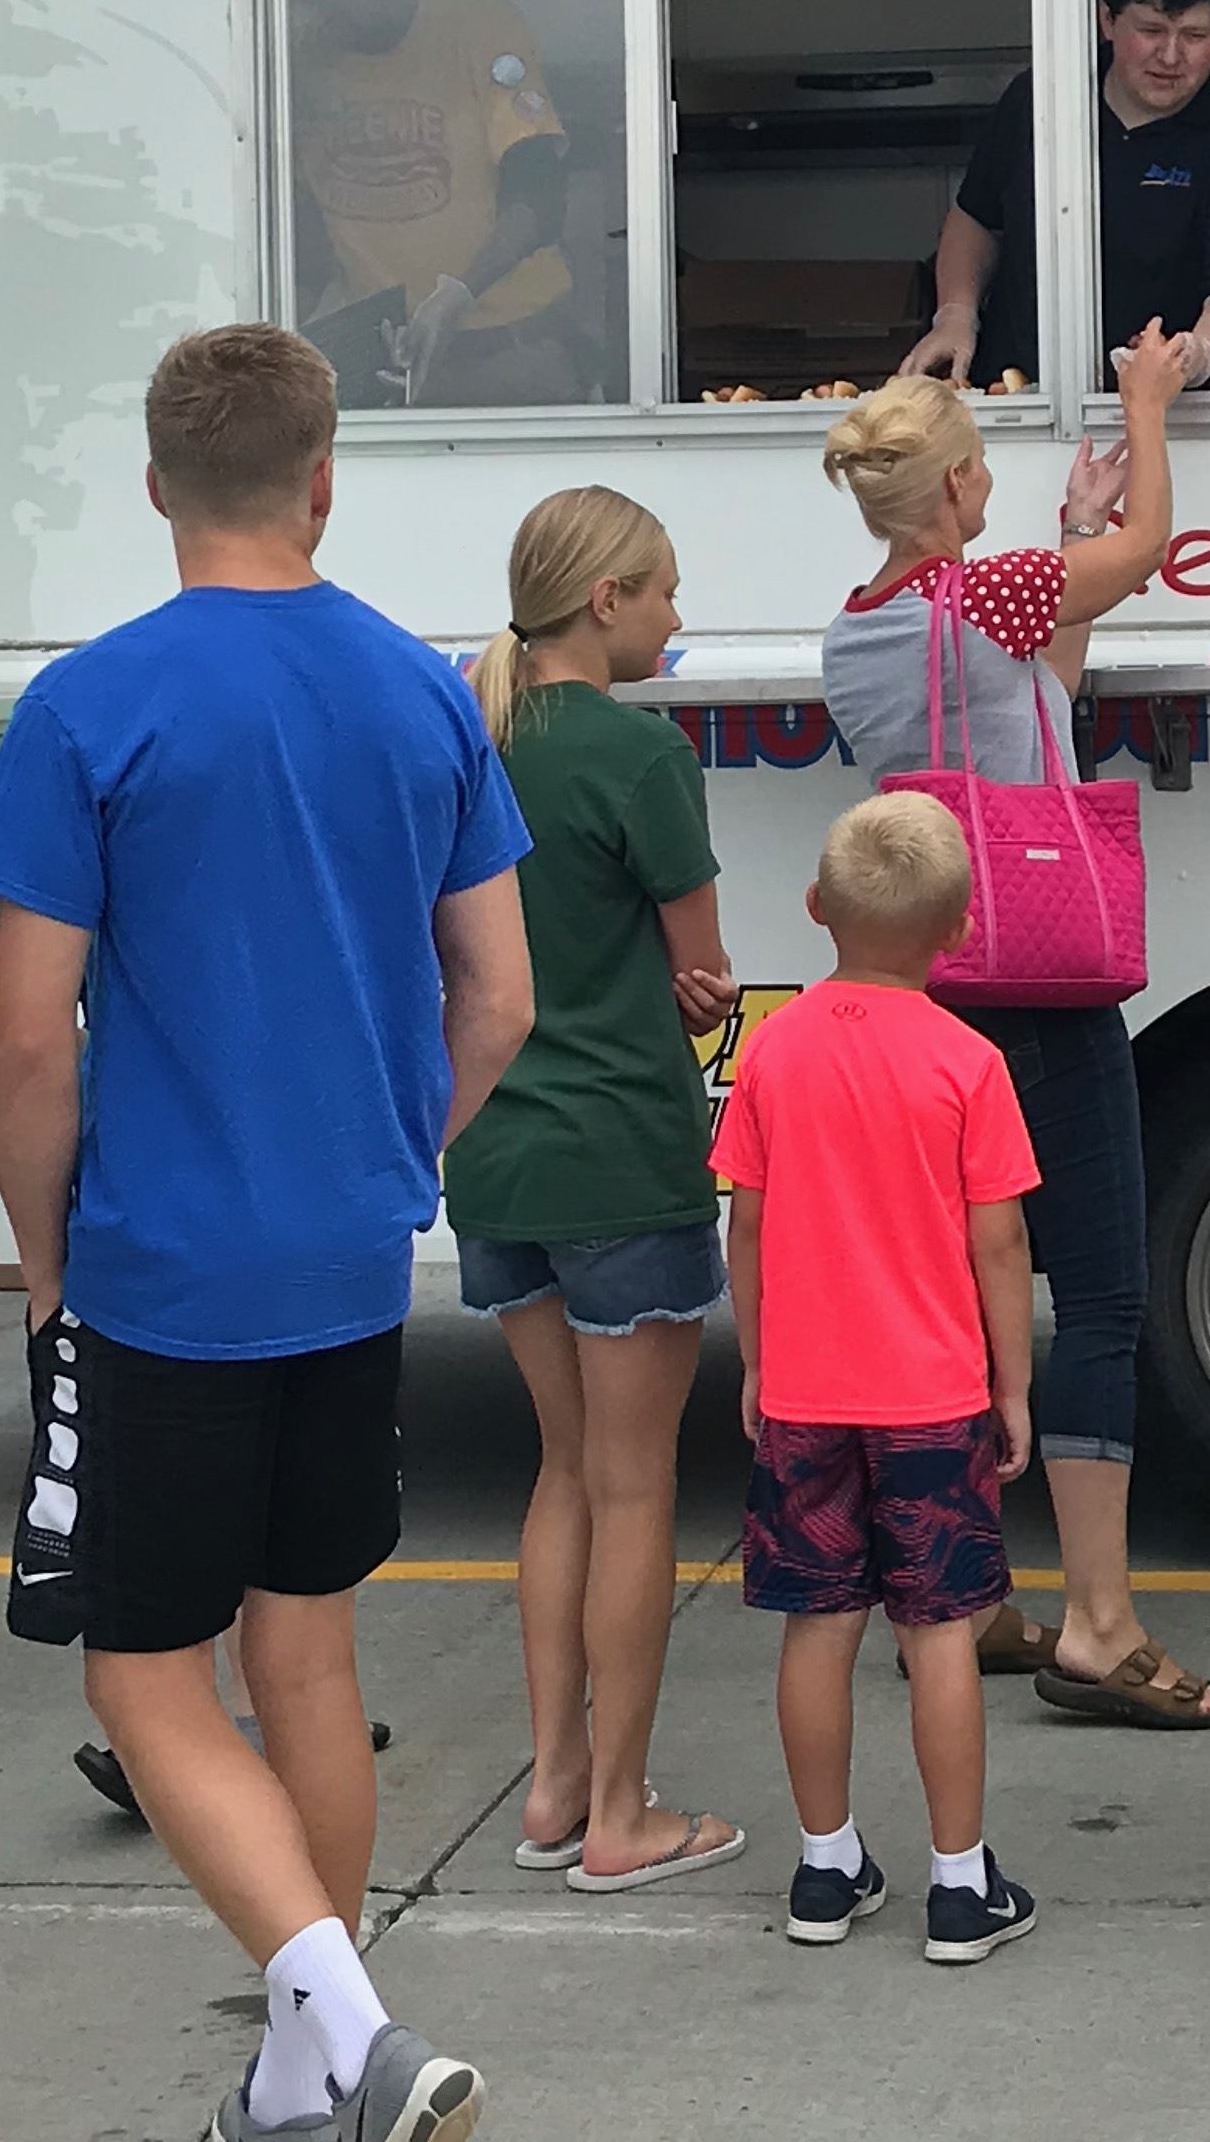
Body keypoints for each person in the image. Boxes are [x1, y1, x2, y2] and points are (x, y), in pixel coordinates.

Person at [0, 323, 531, 2142]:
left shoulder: (87, 704)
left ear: (154, 489)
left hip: (163, 1263)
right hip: (349, 1254)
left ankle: (346, 2028)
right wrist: (392, 1149)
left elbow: (31, 1034)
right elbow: (498, 994)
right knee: (309, 1653)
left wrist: (46, 1256)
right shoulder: (425, 689)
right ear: (324, 475)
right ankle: (310, 2069)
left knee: (143, 1668)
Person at [814, 338, 1210, 1729]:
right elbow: (1152, 546)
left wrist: (1064, 536)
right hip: (1045, 999)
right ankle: (1102, 1626)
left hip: (938, 989)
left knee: (953, 1301)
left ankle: (966, 1587)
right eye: (981, 469)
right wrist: (1146, 411)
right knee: (1105, 1300)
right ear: (950, 487)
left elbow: (1040, 687)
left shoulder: (865, 626)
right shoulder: (978, 598)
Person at [450, 487, 747, 1892]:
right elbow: (705, 976)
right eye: (669, 589)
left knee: (560, 1472)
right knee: (638, 1489)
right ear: (605, 602)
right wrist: (704, 989)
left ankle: (555, 1782)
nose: (679, 617)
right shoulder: (640, 754)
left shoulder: (472, 732)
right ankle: (624, 1815)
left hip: (494, 1150)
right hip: (621, 1149)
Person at [715, 792, 1045, 1962]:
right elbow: (998, 1241)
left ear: (815, 910)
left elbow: (746, 1224)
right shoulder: (969, 1061)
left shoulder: (776, 1050)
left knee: (818, 1627)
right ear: (958, 932)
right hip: (932, 1394)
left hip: (806, 1389)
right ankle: (960, 1887)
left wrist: (758, 1356)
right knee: (941, 1631)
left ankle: (824, 1867)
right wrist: (1010, 1386)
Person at [900, 0, 1210, 393]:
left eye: (1194, 36)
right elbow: (976, 217)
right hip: (1015, 394)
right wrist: (955, 315)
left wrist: (1197, 353)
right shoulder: (1039, 99)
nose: (1170, 56)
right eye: (1150, 30)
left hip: (1171, 417)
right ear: (1106, 19)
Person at [282, 0, 596, 411]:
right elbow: (305, 229)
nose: (320, 6)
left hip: (515, 354)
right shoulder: (305, 65)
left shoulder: (481, 27)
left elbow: (540, 194)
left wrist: (456, 295)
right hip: (386, 366)